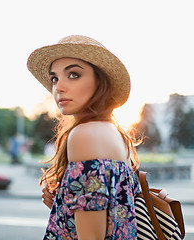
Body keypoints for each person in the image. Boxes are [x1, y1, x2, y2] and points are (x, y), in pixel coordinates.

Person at [27, 35, 140, 239]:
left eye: (73, 75)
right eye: (55, 78)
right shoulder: (116, 134)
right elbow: (112, 218)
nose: (58, 87)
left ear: (100, 81)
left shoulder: (84, 135)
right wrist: (62, 202)